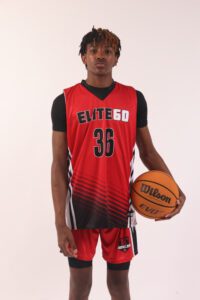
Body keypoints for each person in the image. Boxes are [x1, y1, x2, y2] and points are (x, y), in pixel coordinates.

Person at [51, 26, 186, 300]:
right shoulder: (64, 101)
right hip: (80, 209)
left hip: (120, 207)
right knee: (79, 285)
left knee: (120, 284)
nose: (101, 56)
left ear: (116, 59)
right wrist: (59, 223)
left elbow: (148, 152)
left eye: (108, 51)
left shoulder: (134, 98)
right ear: (83, 58)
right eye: (93, 51)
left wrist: (174, 188)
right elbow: (57, 164)